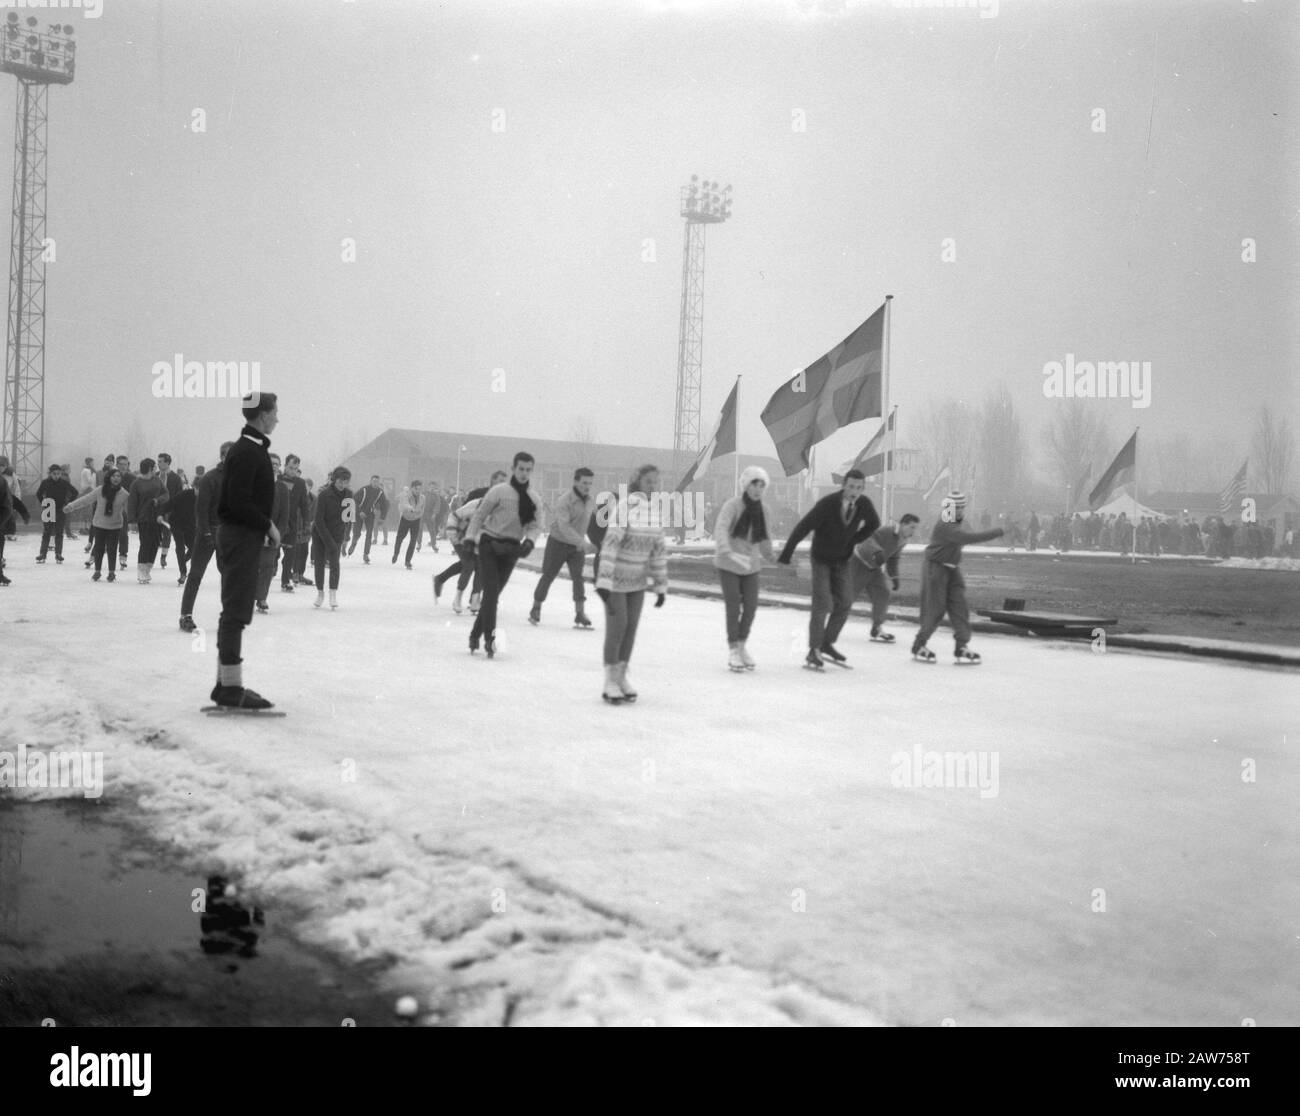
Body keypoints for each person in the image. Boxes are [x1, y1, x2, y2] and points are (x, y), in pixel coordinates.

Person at [211, 391, 280, 710]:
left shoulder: (249, 449)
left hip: (241, 536)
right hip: (240, 536)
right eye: (274, 413)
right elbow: (237, 502)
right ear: (263, 415)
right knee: (236, 610)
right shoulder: (248, 452)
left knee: (235, 610)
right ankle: (230, 688)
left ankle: (226, 683)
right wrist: (267, 524)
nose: (277, 418)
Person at [776, 468, 879, 670]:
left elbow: (874, 523)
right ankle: (814, 650)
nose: (854, 491)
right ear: (844, 486)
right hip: (821, 559)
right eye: (851, 486)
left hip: (841, 561)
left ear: (863, 489)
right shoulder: (828, 504)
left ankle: (826, 643)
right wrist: (787, 553)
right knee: (822, 603)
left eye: (859, 488)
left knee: (845, 603)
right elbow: (803, 527)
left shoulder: (863, 504)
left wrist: (854, 539)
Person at [595, 464, 668, 703]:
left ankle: (621, 676)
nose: (653, 486)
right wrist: (604, 580)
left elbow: (658, 550)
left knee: (631, 628)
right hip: (615, 579)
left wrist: (660, 585)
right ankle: (609, 681)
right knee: (618, 627)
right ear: (638, 482)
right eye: (649, 481)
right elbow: (611, 542)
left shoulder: (656, 511)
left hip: (637, 581)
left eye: (656, 482)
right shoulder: (625, 506)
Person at [911, 492, 1004, 664]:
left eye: (962, 507)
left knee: (959, 607)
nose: (960, 511)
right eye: (957, 507)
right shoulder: (946, 523)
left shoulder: (956, 521)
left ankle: (961, 645)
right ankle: (919, 644)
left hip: (952, 568)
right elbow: (967, 538)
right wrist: (996, 532)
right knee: (935, 609)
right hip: (935, 567)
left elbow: (966, 535)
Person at [464, 453, 542, 656]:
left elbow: (535, 526)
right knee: (490, 594)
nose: (524, 473)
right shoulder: (499, 491)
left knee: (493, 595)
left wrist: (530, 542)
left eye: (528, 470)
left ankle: (474, 635)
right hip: (490, 545)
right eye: (521, 469)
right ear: (513, 469)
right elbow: (479, 516)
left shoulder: (533, 499)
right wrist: (470, 538)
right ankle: (490, 638)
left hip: (512, 549)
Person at [710, 466, 774, 671]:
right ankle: (733, 650)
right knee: (733, 604)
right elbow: (721, 527)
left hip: (750, 565)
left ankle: (742, 644)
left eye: (762, 486)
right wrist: (724, 547)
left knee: (751, 606)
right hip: (729, 562)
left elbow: (764, 537)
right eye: (754, 484)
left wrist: (771, 555)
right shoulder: (733, 505)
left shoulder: (764, 510)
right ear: (746, 486)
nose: (758, 489)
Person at [530, 466, 595, 628]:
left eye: (590, 483)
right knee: (548, 575)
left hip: (576, 546)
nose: (587, 486)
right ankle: (536, 608)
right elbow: (564, 526)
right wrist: (582, 543)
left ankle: (580, 613)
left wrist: (598, 541)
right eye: (584, 482)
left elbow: (590, 523)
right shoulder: (564, 500)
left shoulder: (590, 501)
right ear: (575, 481)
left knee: (578, 578)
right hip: (558, 543)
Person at [179, 442, 232, 632]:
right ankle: (185, 615)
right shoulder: (210, 478)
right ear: (221, 456)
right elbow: (201, 510)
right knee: (195, 575)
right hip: (207, 533)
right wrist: (207, 533)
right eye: (226, 455)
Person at [851, 513, 920, 643]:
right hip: (858, 564)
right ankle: (826, 622)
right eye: (912, 527)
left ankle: (877, 628)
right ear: (903, 524)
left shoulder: (903, 541)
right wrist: (876, 551)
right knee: (847, 598)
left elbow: (893, 559)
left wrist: (894, 577)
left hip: (874, 569)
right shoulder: (887, 531)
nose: (913, 531)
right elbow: (868, 539)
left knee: (883, 593)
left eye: (915, 528)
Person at [63, 469, 129, 582]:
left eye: (118, 476)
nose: (116, 478)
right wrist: (71, 506)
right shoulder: (100, 490)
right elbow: (86, 499)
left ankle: (111, 572)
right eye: (113, 476)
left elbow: (130, 510)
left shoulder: (124, 494)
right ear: (109, 477)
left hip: (115, 526)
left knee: (112, 549)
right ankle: (97, 571)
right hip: (100, 524)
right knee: (99, 548)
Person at [311, 466, 352, 609]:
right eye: (340, 481)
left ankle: (333, 593)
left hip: (337, 534)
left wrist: (346, 536)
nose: (342, 484)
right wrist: (328, 541)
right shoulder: (324, 495)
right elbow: (318, 520)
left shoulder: (349, 495)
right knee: (319, 563)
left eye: (345, 482)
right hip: (320, 533)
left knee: (335, 563)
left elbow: (349, 518)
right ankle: (320, 593)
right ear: (334, 480)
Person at [433, 494, 481, 613]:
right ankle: (458, 598)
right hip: (460, 538)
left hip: (478, 541)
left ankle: (474, 599)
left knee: (479, 565)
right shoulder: (475, 505)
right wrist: (454, 538)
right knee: (469, 565)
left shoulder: (501, 510)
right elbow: (454, 517)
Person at [254, 452, 289, 614]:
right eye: (270, 462)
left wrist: (276, 535)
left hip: (273, 535)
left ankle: (261, 598)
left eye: (277, 463)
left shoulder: (282, 488)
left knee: (268, 566)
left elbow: (284, 514)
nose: (274, 465)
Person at [126, 458, 165, 584]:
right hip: (143, 517)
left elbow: (166, 494)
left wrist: (158, 500)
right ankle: (141, 569)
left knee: (155, 542)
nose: (156, 469)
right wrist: (131, 519)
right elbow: (132, 502)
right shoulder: (136, 483)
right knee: (145, 543)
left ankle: (148, 567)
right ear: (149, 468)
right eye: (154, 466)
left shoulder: (157, 480)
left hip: (157, 516)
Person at [35, 463, 77, 563]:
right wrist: (44, 503)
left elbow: (75, 492)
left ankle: (58, 554)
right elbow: (38, 494)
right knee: (47, 532)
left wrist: (68, 503)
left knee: (59, 533)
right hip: (48, 509)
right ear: (50, 473)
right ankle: (42, 554)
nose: (57, 476)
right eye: (54, 474)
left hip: (60, 509)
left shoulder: (64, 483)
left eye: (59, 474)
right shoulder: (45, 482)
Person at [154, 453, 184, 569]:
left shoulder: (175, 478)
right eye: (158, 461)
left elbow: (179, 495)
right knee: (154, 533)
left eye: (161, 461)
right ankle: (151, 555)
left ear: (167, 463)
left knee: (167, 533)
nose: (159, 463)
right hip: (155, 508)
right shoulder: (155, 476)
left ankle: (163, 556)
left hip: (169, 509)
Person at [348, 474, 387, 562]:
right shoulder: (364, 489)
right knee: (357, 533)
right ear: (370, 481)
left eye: (377, 482)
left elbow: (384, 505)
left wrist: (382, 517)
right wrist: (359, 511)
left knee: (369, 534)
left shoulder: (380, 492)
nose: (375, 483)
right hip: (359, 513)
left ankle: (366, 554)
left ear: (378, 483)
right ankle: (353, 544)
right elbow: (354, 500)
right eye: (374, 481)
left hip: (369, 514)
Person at [392, 480, 426, 568]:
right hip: (406, 519)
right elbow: (404, 504)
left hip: (416, 520)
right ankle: (396, 553)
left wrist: (418, 515)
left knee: (413, 540)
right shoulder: (406, 495)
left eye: (420, 489)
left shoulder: (422, 497)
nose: (418, 491)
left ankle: (408, 561)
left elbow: (422, 509)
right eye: (416, 489)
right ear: (412, 488)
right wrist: (411, 508)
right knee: (400, 538)